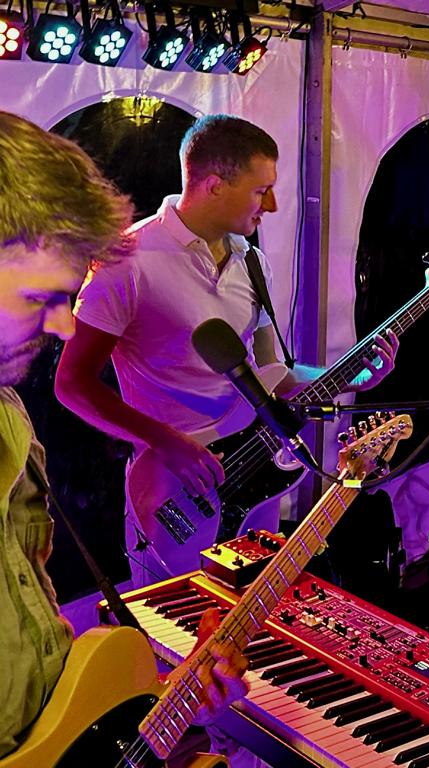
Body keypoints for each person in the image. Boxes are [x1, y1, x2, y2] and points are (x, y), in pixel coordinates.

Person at [55, 114, 398, 586]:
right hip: (176, 485)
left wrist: (349, 377)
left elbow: (272, 373)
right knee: (175, 618)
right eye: (262, 191)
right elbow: (71, 383)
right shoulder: (127, 261)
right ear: (215, 185)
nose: (272, 205)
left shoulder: (252, 262)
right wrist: (165, 442)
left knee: (254, 614)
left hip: (255, 478)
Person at [0, 110, 247, 761]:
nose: (62, 328)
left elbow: (32, 675)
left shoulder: (11, 420)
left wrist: (166, 694)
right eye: (39, 299)